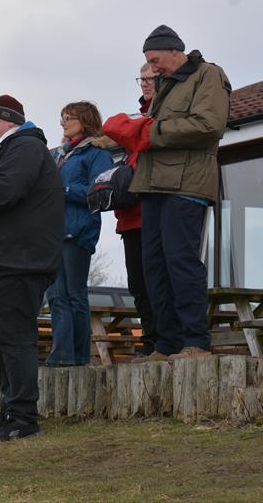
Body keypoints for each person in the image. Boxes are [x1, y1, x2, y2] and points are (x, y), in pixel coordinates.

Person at [120, 25, 231, 361]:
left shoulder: (208, 75)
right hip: (153, 184)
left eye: (155, 60)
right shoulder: (167, 83)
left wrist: (152, 132)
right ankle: (166, 344)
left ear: (174, 51)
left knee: (180, 261)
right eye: (149, 63)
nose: (153, 68)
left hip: (188, 184)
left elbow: (210, 125)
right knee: (154, 265)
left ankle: (196, 342)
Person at [0, 95, 64, 441]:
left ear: (8, 119)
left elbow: (3, 193)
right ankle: (11, 409)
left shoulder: (24, 148)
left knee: (14, 337)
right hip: (6, 262)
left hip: (19, 261)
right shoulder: (12, 150)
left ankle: (23, 416)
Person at [45, 101, 114, 367]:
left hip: (78, 230)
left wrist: (63, 191)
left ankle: (79, 357)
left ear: (85, 120)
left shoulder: (97, 153)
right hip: (53, 232)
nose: (63, 122)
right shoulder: (59, 154)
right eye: (62, 117)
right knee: (55, 295)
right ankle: (61, 353)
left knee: (74, 293)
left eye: (70, 117)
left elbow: (99, 190)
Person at [114, 66, 158, 357]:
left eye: (150, 79)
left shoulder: (154, 119)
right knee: (138, 285)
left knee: (155, 282)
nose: (144, 84)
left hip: (151, 214)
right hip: (129, 219)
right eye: (141, 79)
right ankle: (151, 340)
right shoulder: (138, 119)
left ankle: (159, 340)